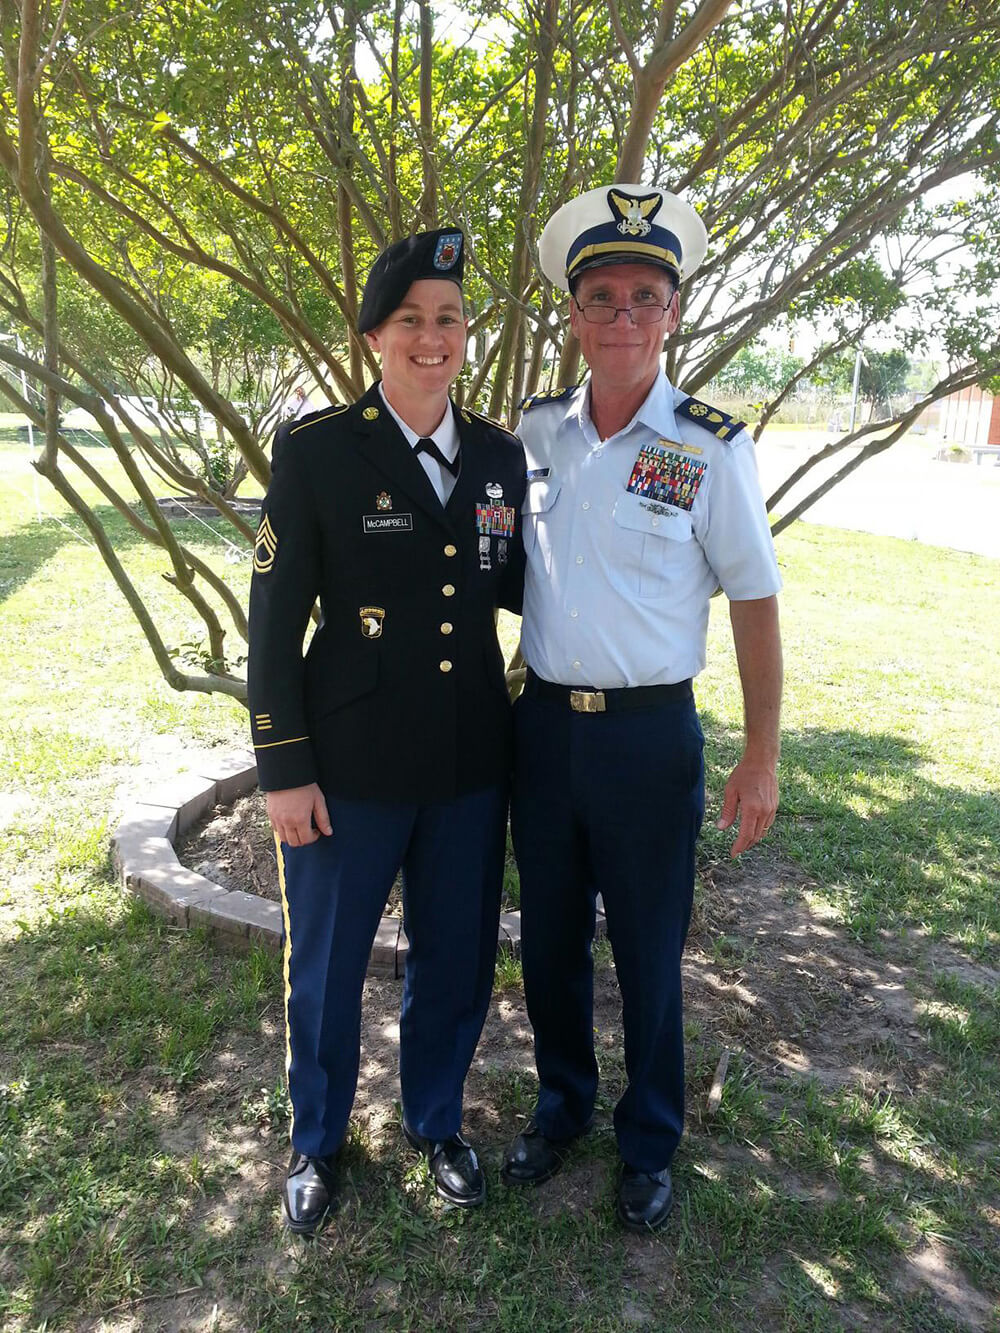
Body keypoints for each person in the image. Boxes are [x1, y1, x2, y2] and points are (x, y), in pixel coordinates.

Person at [502, 185, 783, 1232]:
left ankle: (649, 1133)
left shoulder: (708, 447)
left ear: (671, 315)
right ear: (573, 314)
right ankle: (562, 1102)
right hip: (543, 733)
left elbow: (754, 600)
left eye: (645, 298)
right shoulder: (534, 438)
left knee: (649, 942)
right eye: (602, 296)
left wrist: (761, 755)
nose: (623, 316)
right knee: (550, 939)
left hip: (649, 737)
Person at [248, 227, 525, 1235]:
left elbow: (527, 590)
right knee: (325, 964)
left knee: (453, 955)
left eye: (448, 318)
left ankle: (435, 1119)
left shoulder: (498, 457)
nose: (431, 336)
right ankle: (317, 1138)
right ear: (374, 334)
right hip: (349, 767)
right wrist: (283, 767)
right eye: (410, 318)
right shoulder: (321, 453)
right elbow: (274, 620)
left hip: (464, 765)